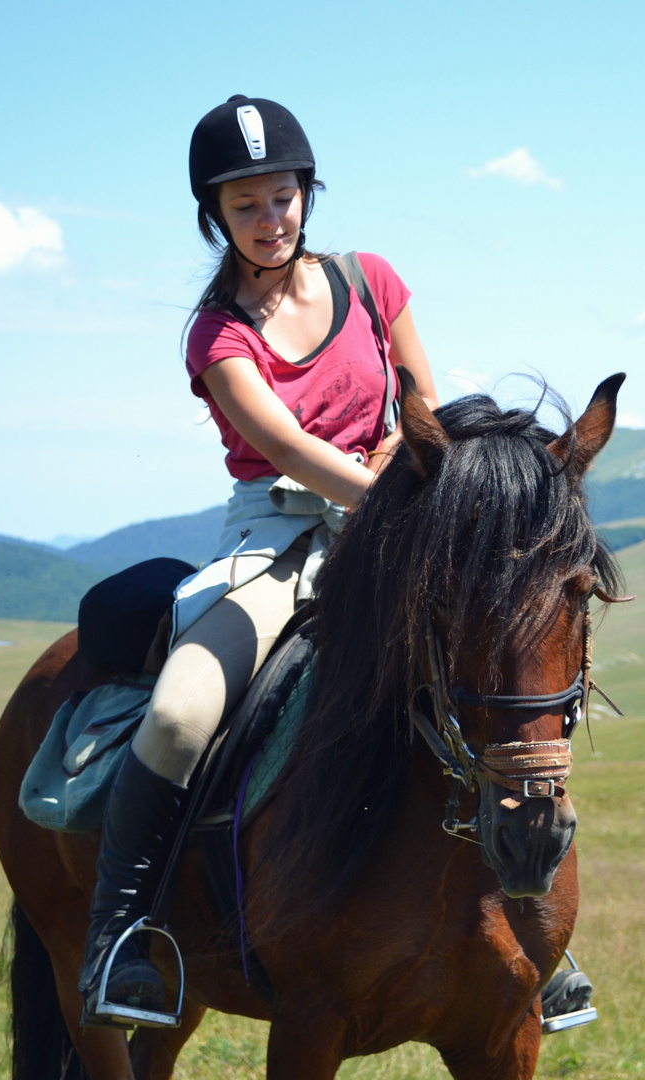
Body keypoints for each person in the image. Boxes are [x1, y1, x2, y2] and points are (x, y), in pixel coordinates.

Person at [78, 95, 440, 1026]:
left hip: (400, 509)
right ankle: (122, 938)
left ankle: (533, 932)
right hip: (280, 535)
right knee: (179, 712)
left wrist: (406, 476)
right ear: (215, 217)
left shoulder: (371, 280)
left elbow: (422, 404)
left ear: (306, 194)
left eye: (282, 198)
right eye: (245, 208)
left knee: (503, 662)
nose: (269, 221)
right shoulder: (217, 335)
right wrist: (381, 497)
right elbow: (285, 450)